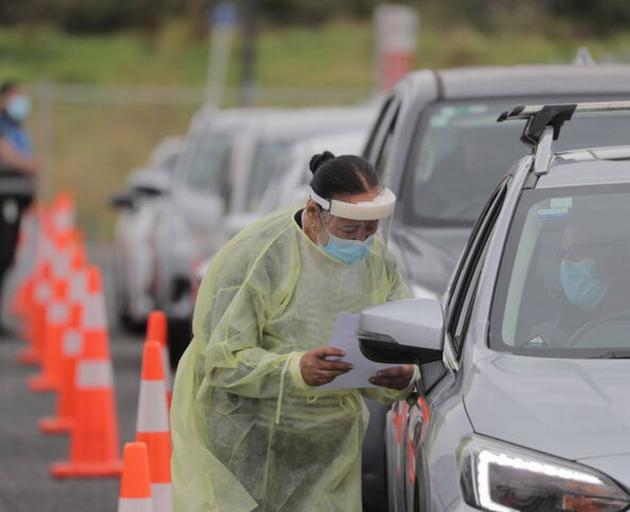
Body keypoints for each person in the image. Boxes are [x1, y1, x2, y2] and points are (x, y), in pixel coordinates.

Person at [171, 151, 418, 512]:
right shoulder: (260, 256)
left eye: (371, 228)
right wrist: (295, 369)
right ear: (315, 214)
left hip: (330, 450)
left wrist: (400, 375)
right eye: (350, 229)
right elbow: (221, 361)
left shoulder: (378, 262)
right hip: (249, 439)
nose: (363, 240)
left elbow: (399, 336)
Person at [530, 216, 629, 348]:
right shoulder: (548, 338)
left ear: (613, 259)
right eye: (563, 255)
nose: (566, 263)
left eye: (578, 252)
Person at [0, 80, 40, 320]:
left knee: (8, 256)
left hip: (17, 198)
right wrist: (28, 164)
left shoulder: (18, 127)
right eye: (16, 97)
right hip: (4, 200)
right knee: (3, 254)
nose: (20, 102)